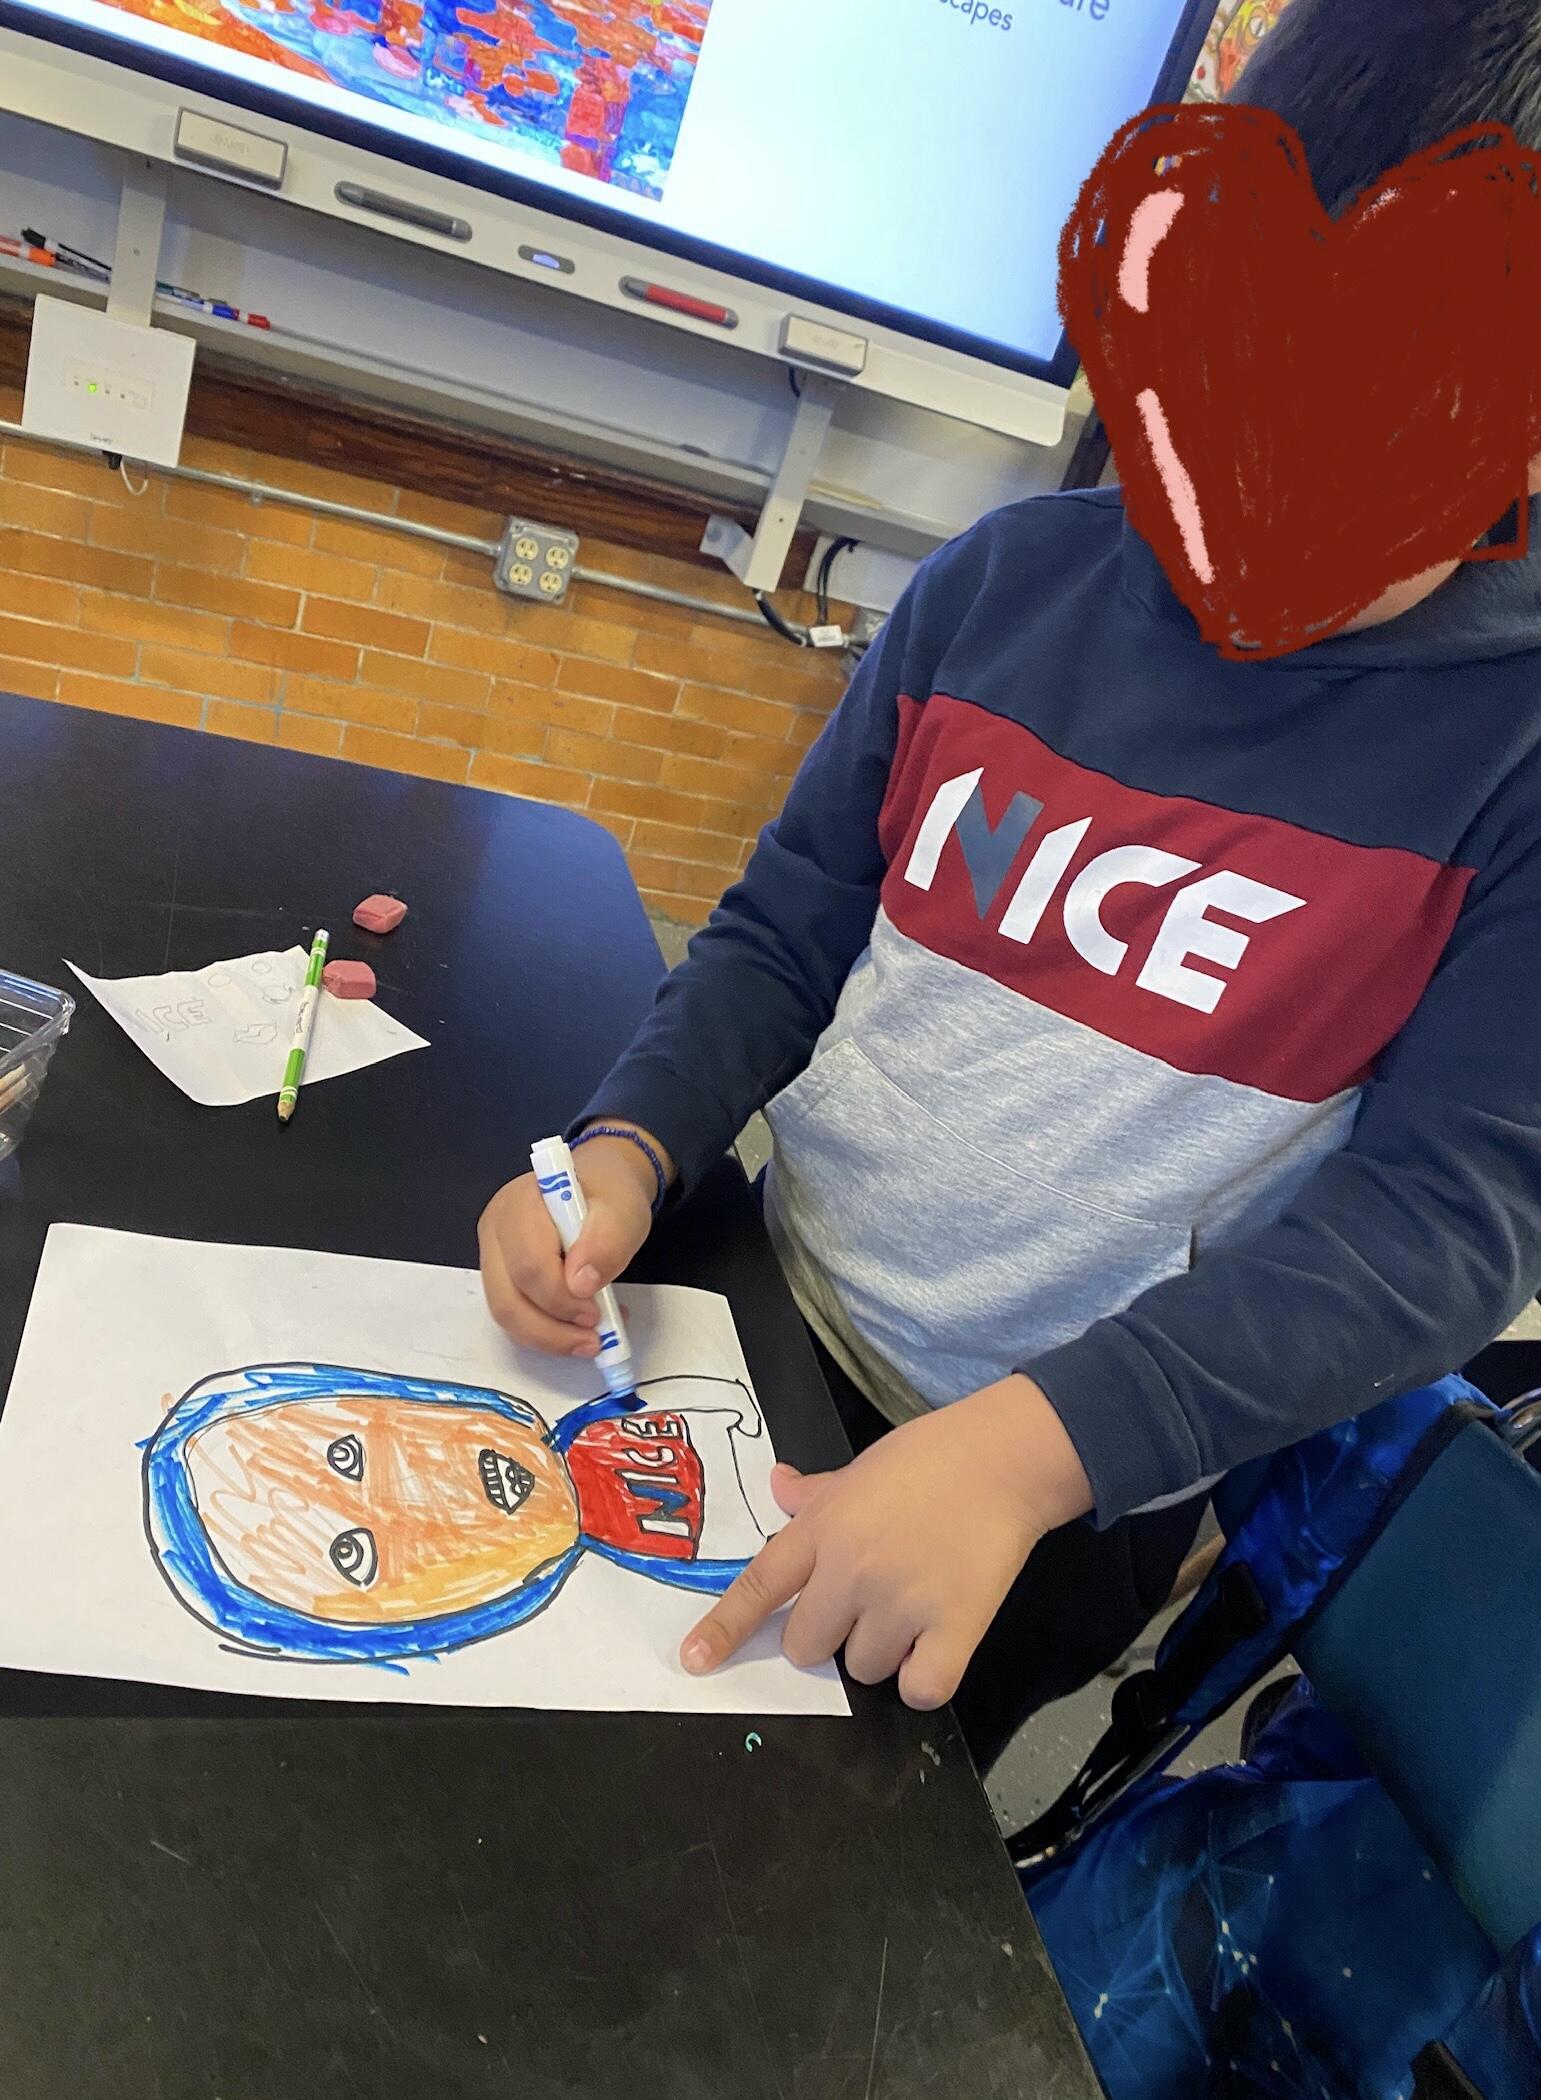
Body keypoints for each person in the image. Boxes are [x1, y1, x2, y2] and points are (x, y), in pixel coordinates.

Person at [480, 0, 1541, 1770]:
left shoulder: (1506, 758)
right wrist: (626, 1147)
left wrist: (1027, 1450)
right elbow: (786, 927)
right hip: (754, 1308)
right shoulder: (1000, 584)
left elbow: (1444, 1226)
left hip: (1055, 1494)